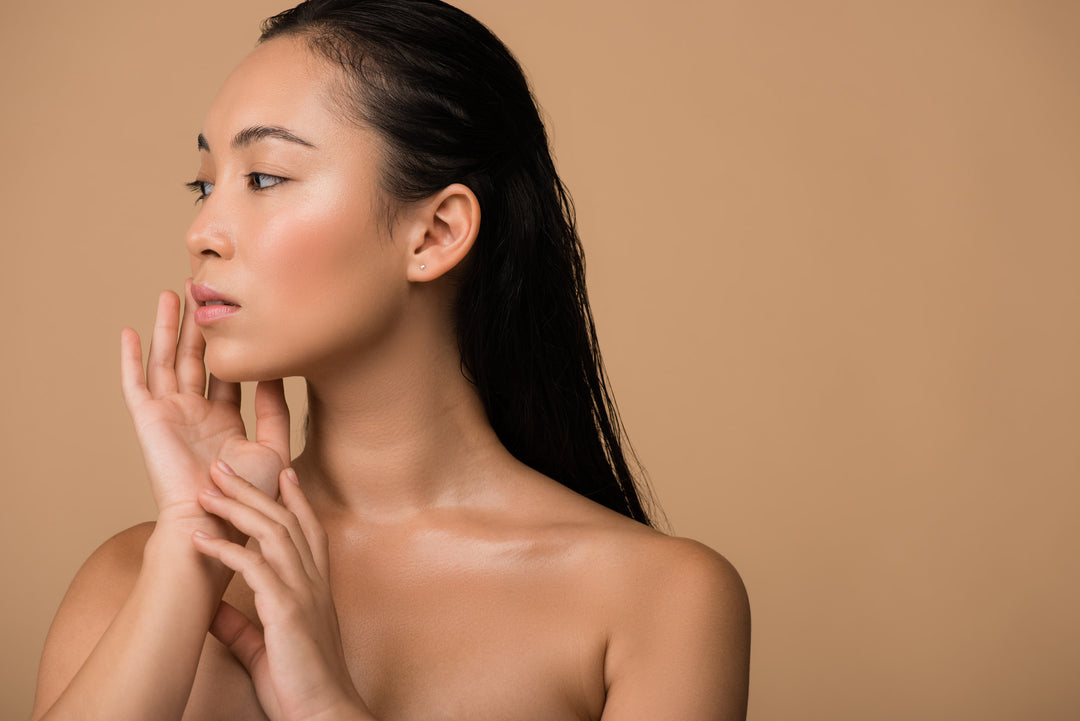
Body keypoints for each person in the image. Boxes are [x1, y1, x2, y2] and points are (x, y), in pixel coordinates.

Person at [30, 1, 750, 719]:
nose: (202, 231)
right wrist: (190, 545)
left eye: (265, 177)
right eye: (203, 183)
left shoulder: (658, 600)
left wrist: (327, 707)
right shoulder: (134, 580)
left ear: (435, 233)